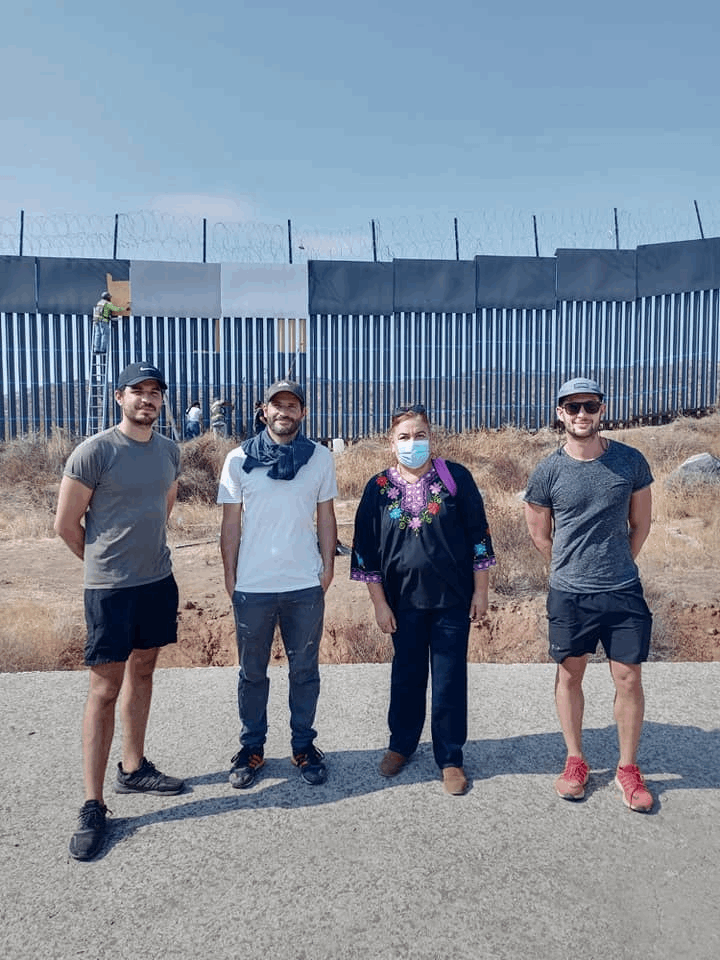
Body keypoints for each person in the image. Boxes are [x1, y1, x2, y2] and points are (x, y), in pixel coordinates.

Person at [54, 361, 185, 861]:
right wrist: (105, 564)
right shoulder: (95, 452)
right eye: (138, 391)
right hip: (110, 591)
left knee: (144, 672)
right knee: (104, 689)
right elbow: (66, 525)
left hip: (157, 582)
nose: (147, 399)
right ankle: (92, 804)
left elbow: (164, 504)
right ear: (119, 398)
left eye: (155, 392)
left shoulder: (169, 451)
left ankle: (133, 769)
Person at [524, 377, 655, 813]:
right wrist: (570, 569)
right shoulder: (547, 471)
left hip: (622, 591)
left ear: (602, 410)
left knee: (629, 678)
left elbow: (641, 524)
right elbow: (540, 534)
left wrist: (618, 564)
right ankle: (575, 759)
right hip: (570, 595)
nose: (582, 414)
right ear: (560, 413)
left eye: (590, 406)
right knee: (569, 675)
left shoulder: (630, 462)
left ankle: (627, 768)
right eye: (573, 407)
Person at [350, 403, 496, 795]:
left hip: (452, 600)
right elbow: (365, 550)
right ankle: (401, 745)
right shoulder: (378, 488)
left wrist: (481, 591)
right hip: (402, 603)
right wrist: (379, 603)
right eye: (404, 436)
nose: (412, 443)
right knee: (406, 676)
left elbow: (479, 536)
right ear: (390, 442)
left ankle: (450, 758)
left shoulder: (455, 478)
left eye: (419, 435)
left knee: (449, 680)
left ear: (431, 437)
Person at [218, 379, 338, 788]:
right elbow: (230, 523)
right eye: (277, 404)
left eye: (292, 405)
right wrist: (231, 575)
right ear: (263, 411)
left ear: (302, 412)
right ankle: (252, 748)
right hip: (253, 587)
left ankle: (303, 746)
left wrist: (327, 567)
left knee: (304, 671)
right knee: (252, 673)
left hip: (304, 584)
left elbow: (326, 516)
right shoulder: (238, 459)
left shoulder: (319, 457)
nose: (284, 411)